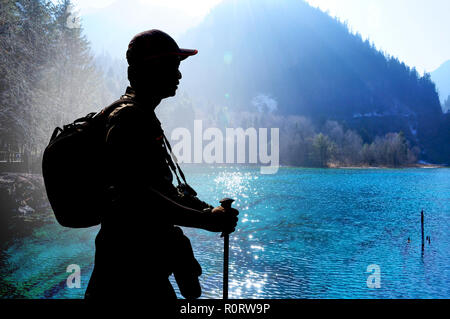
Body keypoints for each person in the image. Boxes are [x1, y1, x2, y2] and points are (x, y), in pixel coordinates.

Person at [84, 30, 239, 303]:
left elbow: (158, 189)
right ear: (150, 69)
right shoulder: (130, 119)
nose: (179, 76)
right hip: (128, 277)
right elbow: (136, 194)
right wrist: (206, 220)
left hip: (134, 270)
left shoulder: (138, 115)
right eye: (173, 67)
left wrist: (205, 210)